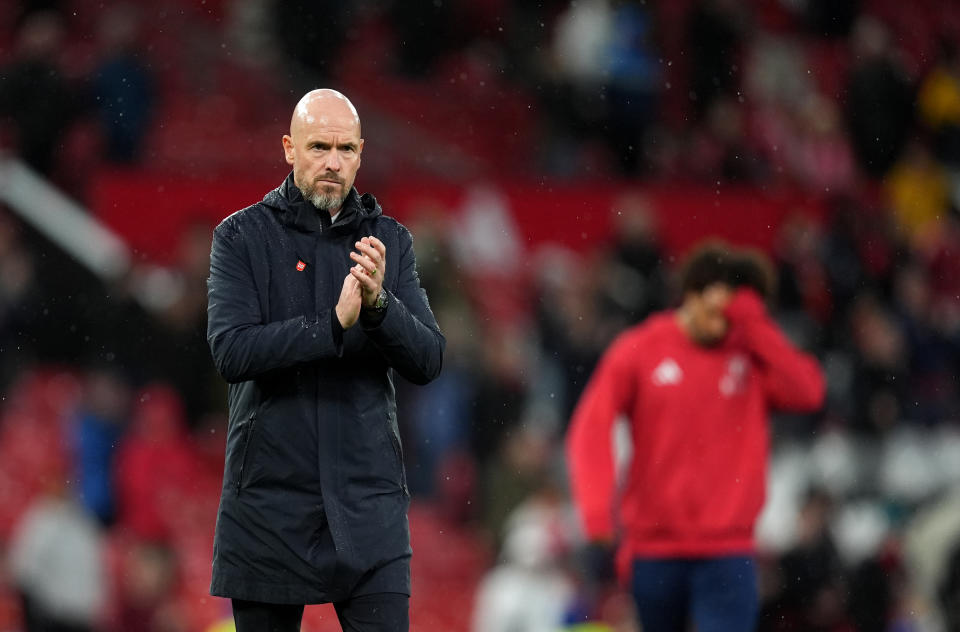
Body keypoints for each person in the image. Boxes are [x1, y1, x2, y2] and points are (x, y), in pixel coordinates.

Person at [206, 89, 445, 632]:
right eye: (318, 147)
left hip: (368, 508)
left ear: (361, 153)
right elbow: (232, 351)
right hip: (267, 509)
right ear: (289, 149)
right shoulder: (240, 237)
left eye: (345, 149)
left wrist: (381, 306)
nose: (333, 163)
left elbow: (428, 360)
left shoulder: (391, 242)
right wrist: (332, 324)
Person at [566, 242, 825, 632]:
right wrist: (597, 512)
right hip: (654, 548)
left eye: (732, 314)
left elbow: (808, 391)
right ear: (690, 295)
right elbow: (591, 426)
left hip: (728, 549)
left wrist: (755, 326)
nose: (723, 324)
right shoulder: (640, 349)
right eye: (715, 311)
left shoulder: (750, 352)